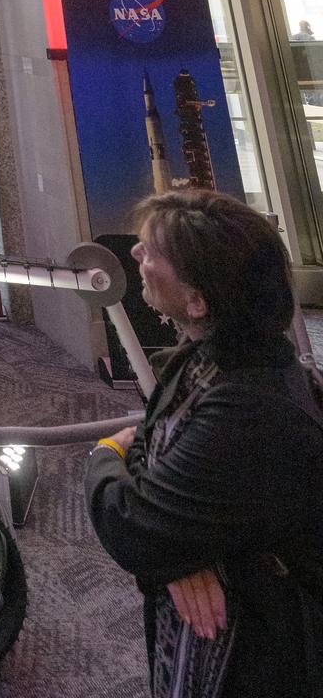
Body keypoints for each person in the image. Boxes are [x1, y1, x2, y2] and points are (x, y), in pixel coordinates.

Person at [85, 188, 323, 697]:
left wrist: (105, 454)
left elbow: (132, 523)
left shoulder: (247, 409)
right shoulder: (205, 358)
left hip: (260, 649)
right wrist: (180, 554)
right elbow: (156, 469)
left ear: (198, 299)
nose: (135, 253)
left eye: (153, 251)